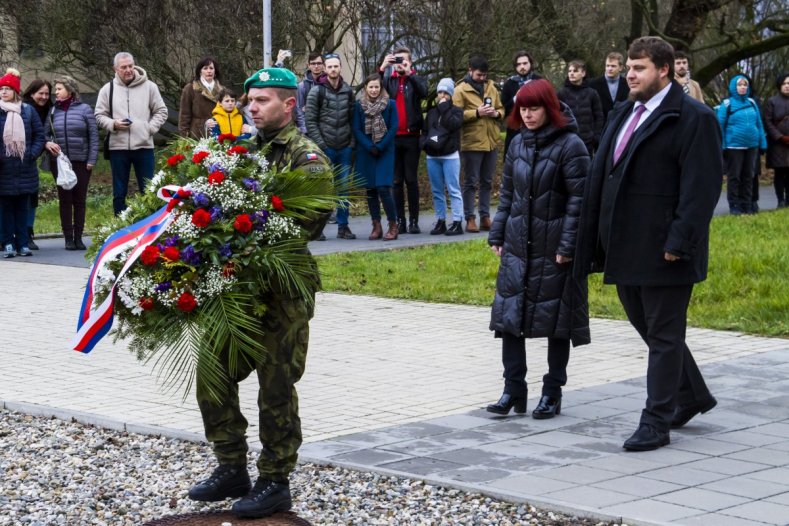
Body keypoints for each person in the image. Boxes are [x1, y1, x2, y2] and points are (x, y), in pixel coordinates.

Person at [188, 67, 332, 520]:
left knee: (275, 387)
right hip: (235, 290)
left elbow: (303, 223)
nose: (252, 107)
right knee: (212, 374)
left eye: (263, 100)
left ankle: (275, 479)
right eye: (249, 100)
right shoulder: (240, 151)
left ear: (289, 105)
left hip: (281, 292)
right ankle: (231, 466)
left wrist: (235, 227)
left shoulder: (306, 158)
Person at [575, 36, 722, 451]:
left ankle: (657, 421)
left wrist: (681, 241)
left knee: (664, 334)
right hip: (624, 246)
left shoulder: (694, 118)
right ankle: (692, 395)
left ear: (663, 70)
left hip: (665, 250)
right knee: (653, 331)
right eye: (627, 68)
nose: (629, 75)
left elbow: (701, 190)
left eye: (638, 69)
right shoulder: (624, 111)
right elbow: (605, 175)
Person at [487, 79, 590, 419]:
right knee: (509, 316)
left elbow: (580, 200)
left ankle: (552, 391)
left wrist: (568, 245)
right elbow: (507, 195)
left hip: (554, 246)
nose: (528, 115)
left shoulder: (571, 145)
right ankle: (513, 388)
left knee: (556, 320)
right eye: (523, 109)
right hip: (519, 243)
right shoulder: (516, 143)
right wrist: (498, 234)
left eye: (534, 108)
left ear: (549, 107)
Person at [95, 52, 168, 215]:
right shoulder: (107, 89)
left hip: (144, 147)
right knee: (119, 193)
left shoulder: (150, 87)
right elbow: (99, 115)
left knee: (148, 190)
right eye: (123, 67)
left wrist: (148, 129)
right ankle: (121, 229)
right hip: (118, 148)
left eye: (130, 66)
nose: (128, 70)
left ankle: (150, 229)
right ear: (115, 69)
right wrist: (113, 124)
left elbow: (161, 111)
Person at [44, 76, 99, 251]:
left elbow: (93, 136)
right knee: (65, 200)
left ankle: (79, 237)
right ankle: (68, 238)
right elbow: (44, 134)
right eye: (56, 89)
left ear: (70, 89)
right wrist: (48, 142)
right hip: (60, 163)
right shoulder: (53, 111)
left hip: (81, 162)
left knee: (79, 200)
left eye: (59, 88)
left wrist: (91, 159)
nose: (56, 92)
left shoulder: (85, 109)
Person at [305, 52, 356, 239]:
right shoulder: (316, 91)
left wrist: (351, 144)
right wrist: (321, 145)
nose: (333, 69)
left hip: (344, 148)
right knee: (323, 189)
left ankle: (343, 226)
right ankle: (318, 229)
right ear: (325, 69)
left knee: (343, 189)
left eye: (336, 66)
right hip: (324, 148)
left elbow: (353, 119)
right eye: (330, 66)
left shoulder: (349, 91)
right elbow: (310, 121)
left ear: (340, 68)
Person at [379, 47, 428, 234]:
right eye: (397, 61)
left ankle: (414, 220)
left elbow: (424, 92)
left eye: (404, 61)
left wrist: (409, 74)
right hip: (394, 137)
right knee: (396, 181)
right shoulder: (390, 81)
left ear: (410, 62)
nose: (400, 64)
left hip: (412, 136)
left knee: (411, 179)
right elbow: (375, 88)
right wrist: (383, 67)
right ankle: (400, 220)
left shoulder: (415, 79)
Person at [453, 55, 504, 233]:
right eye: (478, 75)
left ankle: (485, 216)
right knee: (470, 182)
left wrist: (496, 114)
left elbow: (501, 108)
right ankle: (470, 218)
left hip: (491, 141)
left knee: (487, 182)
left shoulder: (492, 88)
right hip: (471, 143)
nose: (482, 78)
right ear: (470, 71)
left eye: (484, 75)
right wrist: (476, 112)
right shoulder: (460, 90)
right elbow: (455, 115)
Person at [0, 68, 45, 259]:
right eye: (1, 88)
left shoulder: (28, 111)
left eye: (7, 88)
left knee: (22, 208)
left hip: (25, 167)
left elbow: (39, 136)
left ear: (15, 91)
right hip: (4, 169)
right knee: (6, 209)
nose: (3, 92)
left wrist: (32, 154)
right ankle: (8, 243)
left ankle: (23, 243)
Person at [352, 74, 399, 241]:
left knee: (383, 188)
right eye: (370, 87)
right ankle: (376, 225)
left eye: (376, 87)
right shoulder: (359, 106)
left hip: (385, 150)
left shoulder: (390, 105)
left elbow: (394, 127)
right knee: (370, 189)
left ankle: (393, 225)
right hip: (366, 151)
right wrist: (369, 146)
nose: (373, 90)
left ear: (381, 88)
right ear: (365, 88)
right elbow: (356, 129)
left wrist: (379, 146)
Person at [717, 74, 767, 215]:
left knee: (749, 176)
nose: (743, 87)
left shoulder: (752, 102)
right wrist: (723, 146)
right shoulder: (727, 104)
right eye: (739, 85)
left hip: (752, 146)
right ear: (734, 87)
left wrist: (762, 143)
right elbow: (719, 126)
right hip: (734, 147)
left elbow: (759, 124)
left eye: (745, 85)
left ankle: (747, 205)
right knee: (734, 177)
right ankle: (734, 206)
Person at [423, 78, 464, 236]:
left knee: (453, 189)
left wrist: (445, 108)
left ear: (451, 94)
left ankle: (457, 221)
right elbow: (425, 131)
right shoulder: (431, 112)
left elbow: (452, 125)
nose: (442, 95)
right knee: (437, 190)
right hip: (432, 156)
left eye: (446, 92)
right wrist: (425, 144)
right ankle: (440, 220)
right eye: (440, 92)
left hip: (450, 156)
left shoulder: (456, 111)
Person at [21, 79, 52, 250]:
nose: (44, 97)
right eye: (40, 93)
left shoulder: (50, 109)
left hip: (31, 159)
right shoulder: (22, 109)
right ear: (31, 93)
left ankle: (28, 233)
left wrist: (34, 152)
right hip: (16, 159)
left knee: (31, 198)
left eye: (47, 94)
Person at [558, 60, 604, 155]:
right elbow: (557, 115)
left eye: (575, 71)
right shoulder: (561, 93)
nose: (571, 73)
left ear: (583, 73)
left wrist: (596, 136)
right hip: (567, 140)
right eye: (569, 71)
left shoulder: (592, 93)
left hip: (588, 141)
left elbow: (599, 116)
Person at [501, 51, 542, 154]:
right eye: (518, 64)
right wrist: (515, 99)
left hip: (537, 131)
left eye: (525, 63)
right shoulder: (509, 84)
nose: (522, 66)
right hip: (515, 131)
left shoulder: (540, 81)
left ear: (530, 64)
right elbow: (503, 109)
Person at [179, 57, 224, 139]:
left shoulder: (222, 90)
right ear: (200, 71)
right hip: (198, 133)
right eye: (205, 68)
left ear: (215, 71)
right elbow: (184, 115)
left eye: (211, 68)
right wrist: (185, 137)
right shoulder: (190, 88)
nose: (209, 71)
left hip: (219, 132)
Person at [765, 73, 789, 208]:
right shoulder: (772, 101)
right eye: (785, 83)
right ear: (780, 85)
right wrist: (780, 137)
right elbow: (768, 122)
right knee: (780, 174)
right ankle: (780, 200)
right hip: (777, 145)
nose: (787, 86)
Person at [588, 52, 629, 118]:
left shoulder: (628, 84)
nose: (609, 69)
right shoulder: (592, 84)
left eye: (613, 66)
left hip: (621, 124)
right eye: (607, 65)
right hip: (600, 125)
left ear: (621, 68)